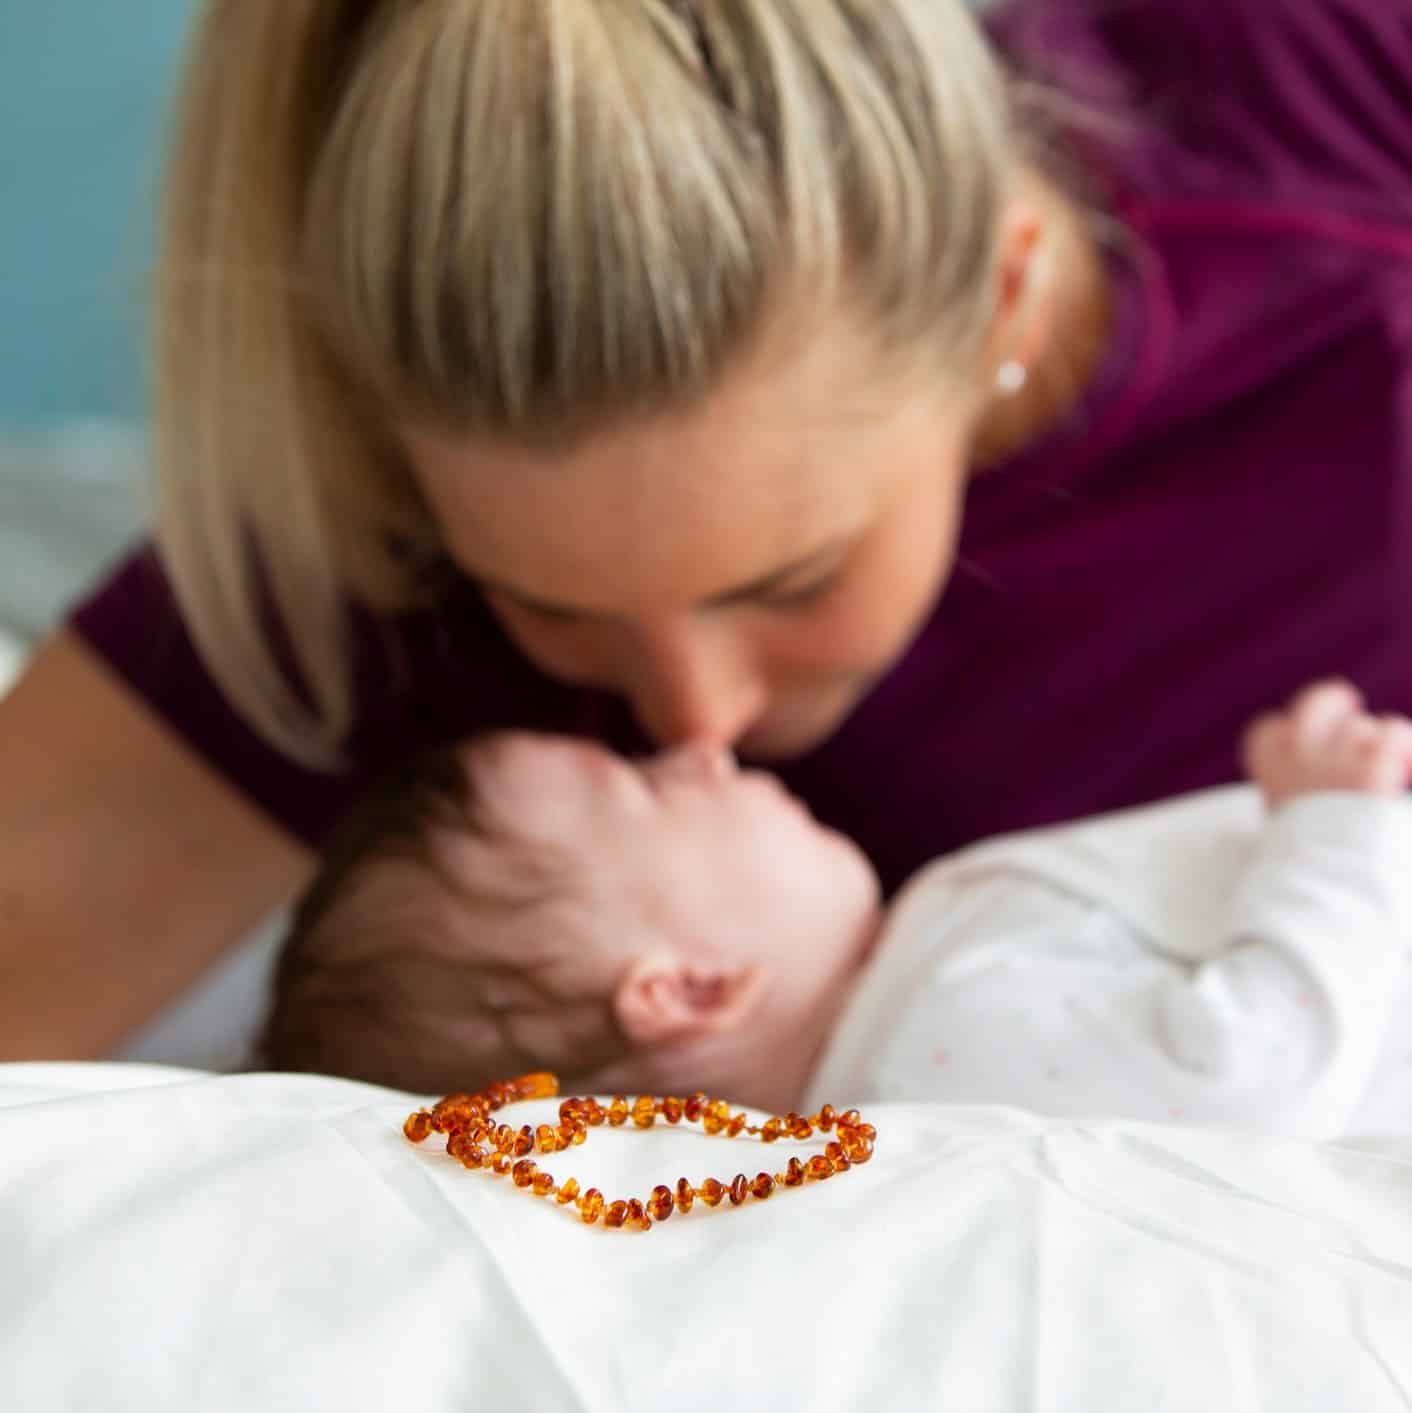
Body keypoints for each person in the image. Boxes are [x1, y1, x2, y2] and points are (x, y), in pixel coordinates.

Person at [3, 0, 1411, 1060]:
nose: (697, 719)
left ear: (999, 296)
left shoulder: (1333, 100)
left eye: (794, 576)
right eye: (544, 606)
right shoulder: (364, 556)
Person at [264, 680, 1412, 1137]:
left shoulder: (924, 993)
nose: (703, 748)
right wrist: (1328, 828)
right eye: (650, 787)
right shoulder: (940, 1044)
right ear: (688, 988)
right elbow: (1250, 1076)